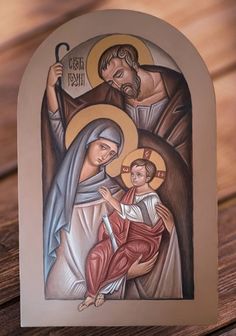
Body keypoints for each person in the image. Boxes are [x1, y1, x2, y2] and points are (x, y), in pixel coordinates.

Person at [42, 43, 193, 299]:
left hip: (101, 270)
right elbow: (58, 127)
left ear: (134, 62)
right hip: (69, 269)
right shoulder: (66, 172)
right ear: (87, 140)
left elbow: (132, 225)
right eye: (103, 147)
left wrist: (166, 228)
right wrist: (49, 88)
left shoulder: (110, 190)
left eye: (112, 153)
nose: (105, 156)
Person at [79, 158, 170, 311]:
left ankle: (103, 289)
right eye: (132, 174)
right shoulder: (131, 193)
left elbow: (132, 213)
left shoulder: (152, 199)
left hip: (145, 242)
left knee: (125, 251)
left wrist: (109, 199)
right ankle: (91, 294)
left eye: (139, 174)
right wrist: (110, 227)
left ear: (148, 178)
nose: (134, 177)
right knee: (97, 253)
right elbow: (119, 218)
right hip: (124, 236)